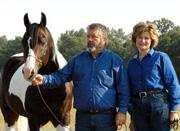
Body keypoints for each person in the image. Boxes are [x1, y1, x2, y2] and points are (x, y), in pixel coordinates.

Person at [32, 23, 130, 131]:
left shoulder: (115, 61)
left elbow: (123, 89)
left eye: (94, 37)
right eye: (88, 36)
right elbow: (60, 76)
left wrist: (122, 111)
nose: (89, 39)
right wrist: (45, 79)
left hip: (106, 118)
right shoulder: (76, 60)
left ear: (104, 40)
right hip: (82, 118)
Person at [128, 22, 180, 131]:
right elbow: (129, 90)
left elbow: (173, 84)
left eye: (146, 38)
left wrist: (174, 111)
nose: (143, 41)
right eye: (140, 37)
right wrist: (132, 117)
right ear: (135, 39)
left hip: (159, 105)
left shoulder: (161, 57)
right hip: (138, 107)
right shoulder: (131, 63)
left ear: (152, 40)